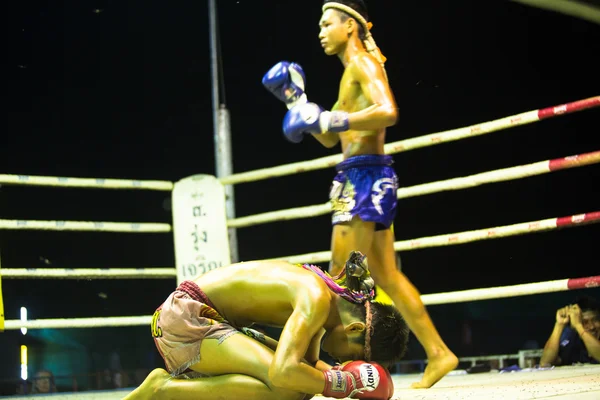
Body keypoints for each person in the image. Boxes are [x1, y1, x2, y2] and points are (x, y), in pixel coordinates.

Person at [262, 0, 458, 388]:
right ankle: (439, 353)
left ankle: (318, 365)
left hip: (362, 179)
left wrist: (334, 118)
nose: (320, 32)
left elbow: (387, 111)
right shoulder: (351, 73)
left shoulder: (363, 66)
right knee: (387, 275)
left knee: (336, 277)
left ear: (349, 26)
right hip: (364, 175)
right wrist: (296, 102)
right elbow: (331, 136)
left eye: (326, 24)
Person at [124, 252, 407, 400]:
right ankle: (164, 390)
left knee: (300, 388)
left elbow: (305, 370)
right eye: (350, 358)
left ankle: (188, 383)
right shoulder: (316, 298)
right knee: (286, 389)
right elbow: (284, 373)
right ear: (355, 329)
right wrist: (344, 384)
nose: (342, 362)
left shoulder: (326, 304)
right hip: (187, 318)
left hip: (205, 321)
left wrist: (351, 383)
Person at [540, 295, 600, 367]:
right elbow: (545, 363)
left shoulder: (579, 327)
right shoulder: (571, 338)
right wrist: (559, 325)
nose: (592, 327)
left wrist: (579, 325)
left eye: (595, 320)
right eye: (585, 322)